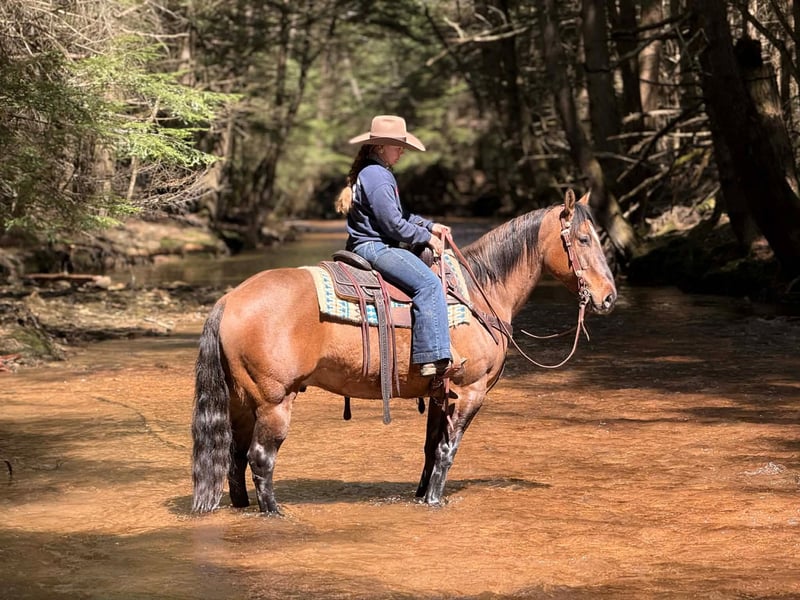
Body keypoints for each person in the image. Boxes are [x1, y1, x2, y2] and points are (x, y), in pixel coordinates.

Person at [336, 115, 453, 378]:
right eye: (398, 146)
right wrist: (426, 237)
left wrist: (429, 225)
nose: (402, 151)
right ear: (380, 146)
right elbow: (393, 226)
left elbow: (400, 215)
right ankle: (431, 357)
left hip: (365, 244)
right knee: (429, 284)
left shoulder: (373, 171)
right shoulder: (378, 176)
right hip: (375, 247)